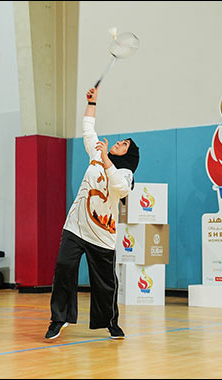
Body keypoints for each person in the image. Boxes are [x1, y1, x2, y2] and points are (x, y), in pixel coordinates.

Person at [45, 87, 140, 340]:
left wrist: (106, 160)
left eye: (124, 145)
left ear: (128, 155)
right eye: (120, 141)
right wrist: (92, 102)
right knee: (64, 268)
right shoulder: (97, 153)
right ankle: (59, 318)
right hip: (75, 226)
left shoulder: (127, 175)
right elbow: (88, 129)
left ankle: (110, 323)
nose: (119, 143)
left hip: (102, 235)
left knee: (106, 283)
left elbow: (120, 187)